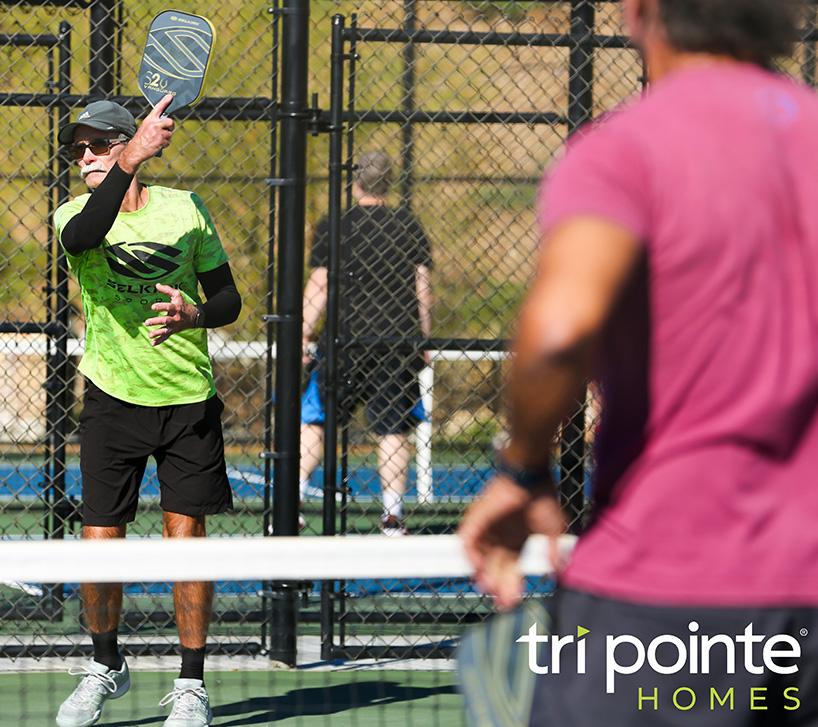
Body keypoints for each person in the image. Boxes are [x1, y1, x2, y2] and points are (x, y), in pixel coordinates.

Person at [458, 0, 818, 724]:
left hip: (664, 608)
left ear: (638, 11)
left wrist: (522, 469)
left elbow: (560, 330)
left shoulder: (625, 149)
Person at [52, 96, 241, 727]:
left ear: (124, 142)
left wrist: (196, 315)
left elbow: (228, 299)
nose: (83, 158)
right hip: (111, 401)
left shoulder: (185, 210)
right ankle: (106, 663)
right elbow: (86, 236)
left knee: (185, 544)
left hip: (187, 400)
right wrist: (126, 159)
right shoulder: (72, 215)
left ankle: (191, 684)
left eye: (95, 145)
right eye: (75, 149)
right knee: (100, 546)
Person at [299, 150, 433, 536]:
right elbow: (422, 286)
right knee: (392, 429)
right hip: (396, 340)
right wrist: (423, 337)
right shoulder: (407, 225)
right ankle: (392, 516)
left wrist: (306, 331)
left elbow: (320, 284)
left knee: (316, 419)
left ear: (354, 180)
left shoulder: (336, 225)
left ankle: (294, 504)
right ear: (388, 182)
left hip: (344, 338)